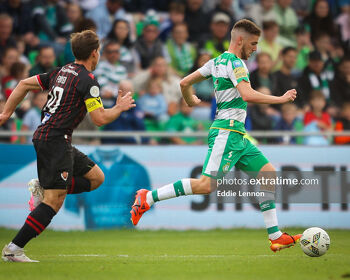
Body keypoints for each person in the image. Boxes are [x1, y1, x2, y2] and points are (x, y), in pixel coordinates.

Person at [130, 19, 301, 252]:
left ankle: (275, 235)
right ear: (240, 40)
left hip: (237, 135)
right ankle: (148, 197)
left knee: (268, 174)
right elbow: (247, 94)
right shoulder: (236, 63)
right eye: (253, 43)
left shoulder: (217, 61)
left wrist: (189, 98)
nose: (255, 48)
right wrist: (280, 99)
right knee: (205, 185)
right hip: (227, 132)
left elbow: (184, 82)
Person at [0, 30, 135, 262]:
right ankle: (14, 249)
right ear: (95, 53)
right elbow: (100, 119)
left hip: (55, 138)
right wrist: (120, 108)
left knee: (96, 178)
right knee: (54, 200)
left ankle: (46, 186)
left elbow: (23, 84)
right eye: (99, 51)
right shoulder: (89, 80)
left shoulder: (61, 72)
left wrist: (5, 113)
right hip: (55, 140)